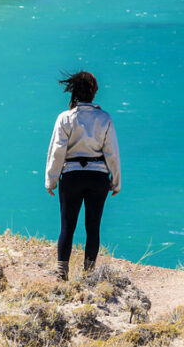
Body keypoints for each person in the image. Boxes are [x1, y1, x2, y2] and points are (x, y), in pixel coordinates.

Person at [45, 71, 121, 280]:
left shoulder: (65, 118)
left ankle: (62, 274)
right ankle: (88, 275)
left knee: (67, 226)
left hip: (71, 177)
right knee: (93, 227)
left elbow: (57, 151)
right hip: (98, 178)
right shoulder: (104, 118)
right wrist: (115, 181)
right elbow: (111, 153)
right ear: (94, 92)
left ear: (74, 92)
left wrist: (51, 180)